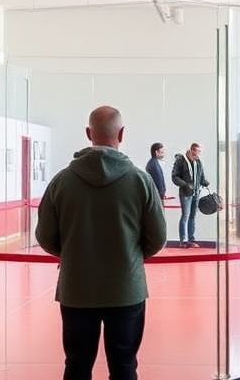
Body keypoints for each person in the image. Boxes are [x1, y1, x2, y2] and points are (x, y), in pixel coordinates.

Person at [36, 106, 167, 380]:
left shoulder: (61, 182)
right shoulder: (140, 181)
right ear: (121, 133)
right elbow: (157, 238)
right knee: (124, 365)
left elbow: (45, 237)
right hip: (126, 289)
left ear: (88, 134)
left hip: (77, 289)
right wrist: (130, 256)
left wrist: (72, 254)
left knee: (77, 364)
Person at [171, 143, 210, 248]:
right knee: (185, 216)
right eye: (198, 151)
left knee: (192, 217)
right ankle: (182, 241)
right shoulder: (181, 160)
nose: (199, 154)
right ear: (192, 151)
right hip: (185, 194)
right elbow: (174, 177)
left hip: (196, 194)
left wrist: (205, 182)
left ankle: (191, 240)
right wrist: (185, 184)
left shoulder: (198, 162)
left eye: (200, 152)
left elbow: (201, 177)